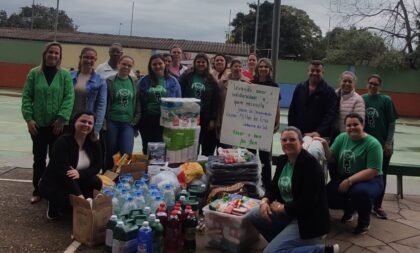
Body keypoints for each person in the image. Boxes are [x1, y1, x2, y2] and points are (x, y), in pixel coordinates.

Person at [248, 126, 338, 253]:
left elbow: (308, 202)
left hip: (307, 220)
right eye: (284, 140)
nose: (287, 143)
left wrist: (283, 208)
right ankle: (288, 247)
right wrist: (265, 201)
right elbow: (273, 187)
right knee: (254, 214)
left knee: (269, 252)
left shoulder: (311, 166)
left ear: (301, 143)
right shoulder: (283, 160)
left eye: (292, 140)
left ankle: (320, 250)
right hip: (290, 214)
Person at [21, 41, 75, 204]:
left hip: (58, 126)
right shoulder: (34, 73)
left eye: (56, 53)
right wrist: (29, 119)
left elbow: (69, 97)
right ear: (44, 54)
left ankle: (54, 190)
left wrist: (61, 118)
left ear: (60, 56)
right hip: (38, 126)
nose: (53, 55)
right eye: (50, 52)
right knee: (39, 159)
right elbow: (27, 96)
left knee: (56, 159)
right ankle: (38, 190)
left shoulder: (65, 75)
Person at [316, 113, 384, 235]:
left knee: (359, 193)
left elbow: (373, 171)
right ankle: (349, 210)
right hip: (345, 176)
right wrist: (325, 145)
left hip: (370, 180)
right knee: (325, 195)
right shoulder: (342, 138)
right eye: (349, 125)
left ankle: (364, 222)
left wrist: (349, 181)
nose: (352, 128)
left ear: (362, 125)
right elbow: (331, 157)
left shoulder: (373, 144)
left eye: (355, 124)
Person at [39, 111, 103, 220]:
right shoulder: (63, 142)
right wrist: (80, 197)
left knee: (96, 182)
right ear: (74, 122)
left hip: (77, 178)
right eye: (83, 121)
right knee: (65, 206)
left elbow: (98, 166)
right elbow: (64, 173)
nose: (86, 125)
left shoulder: (94, 143)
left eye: (90, 123)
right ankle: (54, 204)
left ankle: (77, 204)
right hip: (57, 181)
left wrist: (80, 173)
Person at [362, 74, 398, 219]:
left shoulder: (386, 100)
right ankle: (364, 203)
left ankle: (378, 205)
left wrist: (388, 142)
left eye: (376, 84)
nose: (373, 86)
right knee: (364, 174)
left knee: (381, 175)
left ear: (379, 86)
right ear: (367, 84)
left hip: (383, 146)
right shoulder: (362, 99)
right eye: (370, 83)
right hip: (366, 146)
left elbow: (391, 123)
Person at [137, 54, 181, 154]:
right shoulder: (143, 81)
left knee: (162, 148)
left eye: (160, 63)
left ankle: (159, 169)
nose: (157, 66)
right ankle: (148, 168)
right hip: (147, 119)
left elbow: (179, 100)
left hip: (165, 120)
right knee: (147, 147)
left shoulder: (173, 81)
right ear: (150, 66)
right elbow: (138, 100)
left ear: (164, 64)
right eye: (154, 64)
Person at [104, 55, 141, 171]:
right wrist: (103, 121)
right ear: (118, 64)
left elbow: (137, 102)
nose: (126, 67)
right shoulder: (110, 81)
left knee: (126, 152)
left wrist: (136, 119)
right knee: (111, 151)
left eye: (129, 65)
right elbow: (105, 101)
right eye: (124, 64)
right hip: (112, 121)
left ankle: (122, 177)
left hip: (128, 123)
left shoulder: (134, 82)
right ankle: (107, 177)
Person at [179, 53, 219, 156]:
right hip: (188, 116)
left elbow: (215, 101)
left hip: (205, 117)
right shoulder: (186, 77)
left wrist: (212, 119)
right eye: (198, 62)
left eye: (203, 62)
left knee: (205, 144)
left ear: (207, 64)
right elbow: (180, 94)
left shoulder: (212, 80)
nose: (201, 64)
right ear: (194, 63)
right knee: (191, 145)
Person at [251, 58, 280, 193]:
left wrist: (277, 122)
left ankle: (267, 185)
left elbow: (276, 106)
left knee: (265, 158)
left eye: (266, 67)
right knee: (249, 156)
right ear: (257, 69)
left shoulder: (274, 86)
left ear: (269, 70)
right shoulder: (250, 84)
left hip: (265, 127)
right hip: (249, 126)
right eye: (261, 67)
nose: (263, 69)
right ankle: (250, 182)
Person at [288, 60, 338, 138]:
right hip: (299, 134)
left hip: (318, 136)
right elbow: (292, 110)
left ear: (322, 72)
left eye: (318, 71)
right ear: (308, 71)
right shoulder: (300, 87)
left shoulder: (329, 92)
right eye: (312, 70)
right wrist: (291, 129)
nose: (314, 73)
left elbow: (330, 115)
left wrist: (319, 132)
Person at [70, 47, 107, 136]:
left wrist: (96, 129)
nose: (89, 60)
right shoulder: (69, 76)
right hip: (69, 121)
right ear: (80, 58)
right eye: (86, 57)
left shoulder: (101, 81)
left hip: (87, 123)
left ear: (95, 60)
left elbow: (101, 106)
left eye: (92, 58)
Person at [215, 59, 249, 147]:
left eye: (239, 66)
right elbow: (217, 103)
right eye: (235, 66)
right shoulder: (221, 83)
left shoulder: (248, 83)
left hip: (240, 121)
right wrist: (217, 120)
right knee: (223, 149)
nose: (237, 68)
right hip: (224, 120)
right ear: (231, 68)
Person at [332, 71, 365, 139]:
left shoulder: (358, 100)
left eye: (350, 82)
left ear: (354, 84)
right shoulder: (333, 95)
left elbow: (359, 123)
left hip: (347, 137)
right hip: (331, 135)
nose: (347, 83)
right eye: (344, 81)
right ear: (340, 81)